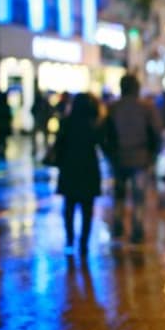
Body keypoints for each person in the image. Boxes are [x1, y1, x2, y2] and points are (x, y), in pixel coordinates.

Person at [104, 74, 161, 244]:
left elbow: (106, 135)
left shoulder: (113, 108)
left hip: (119, 159)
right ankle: (137, 231)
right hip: (140, 159)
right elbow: (156, 133)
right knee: (138, 198)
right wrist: (152, 155)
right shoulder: (146, 107)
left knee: (119, 196)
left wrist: (111, 155)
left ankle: (118, 228)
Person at [54, 93, 103, 254]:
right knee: (87, 210)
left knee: (69, 207)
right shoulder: (93, 125)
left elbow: (59, 146)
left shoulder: (66, 123)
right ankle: (84, 243)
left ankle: (69, 239)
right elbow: (104, 144)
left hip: (70, 169)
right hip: (88, 170)